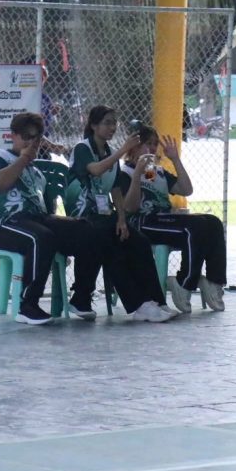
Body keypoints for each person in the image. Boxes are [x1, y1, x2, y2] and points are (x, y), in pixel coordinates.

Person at [0, 112, 103, 325]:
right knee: (41, 237)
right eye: (26, 136)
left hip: (34, 220)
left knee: (88, 230)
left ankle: (81, 298)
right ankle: (27, 305)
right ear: (13, 136)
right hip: (3, 225)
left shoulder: (35, 172)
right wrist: (23, 159)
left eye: (35, 138)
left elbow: (44, 210)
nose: (31, 143)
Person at [67, 106, 174, 322]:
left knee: (139, 241)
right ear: (94, 125)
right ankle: (137, 304)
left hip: (104, 214)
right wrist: (122, 151)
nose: (112, 127)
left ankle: (155, 299)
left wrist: (122, 219)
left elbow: (115, 189)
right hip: (82, 214)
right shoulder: (83, 148)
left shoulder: (112, 152)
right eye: (107, 123)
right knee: (110, 241)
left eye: (114, 123)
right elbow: (95, 170)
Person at [122, 123, 225, 312]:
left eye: (155, 144)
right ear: (134, 147)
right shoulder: (126, 172)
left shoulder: (154, 172)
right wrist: (137, 174)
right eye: (147, 143)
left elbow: (186, 190)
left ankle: (214, 281)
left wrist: (175, 159)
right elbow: (130, 207)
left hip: (164, 219)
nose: (152, 148)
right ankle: (184, 283)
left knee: (213, 223)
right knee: (194, 227)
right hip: (143, 223)